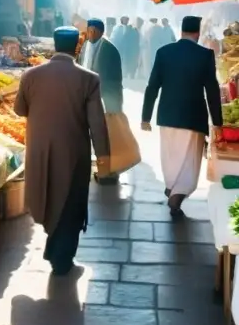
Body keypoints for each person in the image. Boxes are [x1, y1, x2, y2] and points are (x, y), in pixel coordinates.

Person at [15, 27, 110, 275]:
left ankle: (54, 247)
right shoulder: (89, 79)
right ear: (76, 47)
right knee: (70, 203)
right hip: (74, 153)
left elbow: (19, 110)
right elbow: (97, 123)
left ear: (55, 44)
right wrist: (104, 158)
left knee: (46, 196)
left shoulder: (30, 75)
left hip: (39, 151)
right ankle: (62, 257)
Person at [141, 15, 222, 219]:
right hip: (193, 115)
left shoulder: (164, 52)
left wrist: (146, 117)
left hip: (167, 114)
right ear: (198, 32)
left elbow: (152, 87)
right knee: (189, 159)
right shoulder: (205, 55)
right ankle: (177, 193)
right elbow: (212, 91)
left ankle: (171, 186)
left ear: (182, 31)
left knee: (170, 155)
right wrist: (218, 122)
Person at [78, 19, 124, 114]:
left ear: (101, 32)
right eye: (90, 30)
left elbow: (115, 79)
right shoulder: (85, 46)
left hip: (104, 95)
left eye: (95, 31)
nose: (92, 33)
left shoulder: (110, 49)